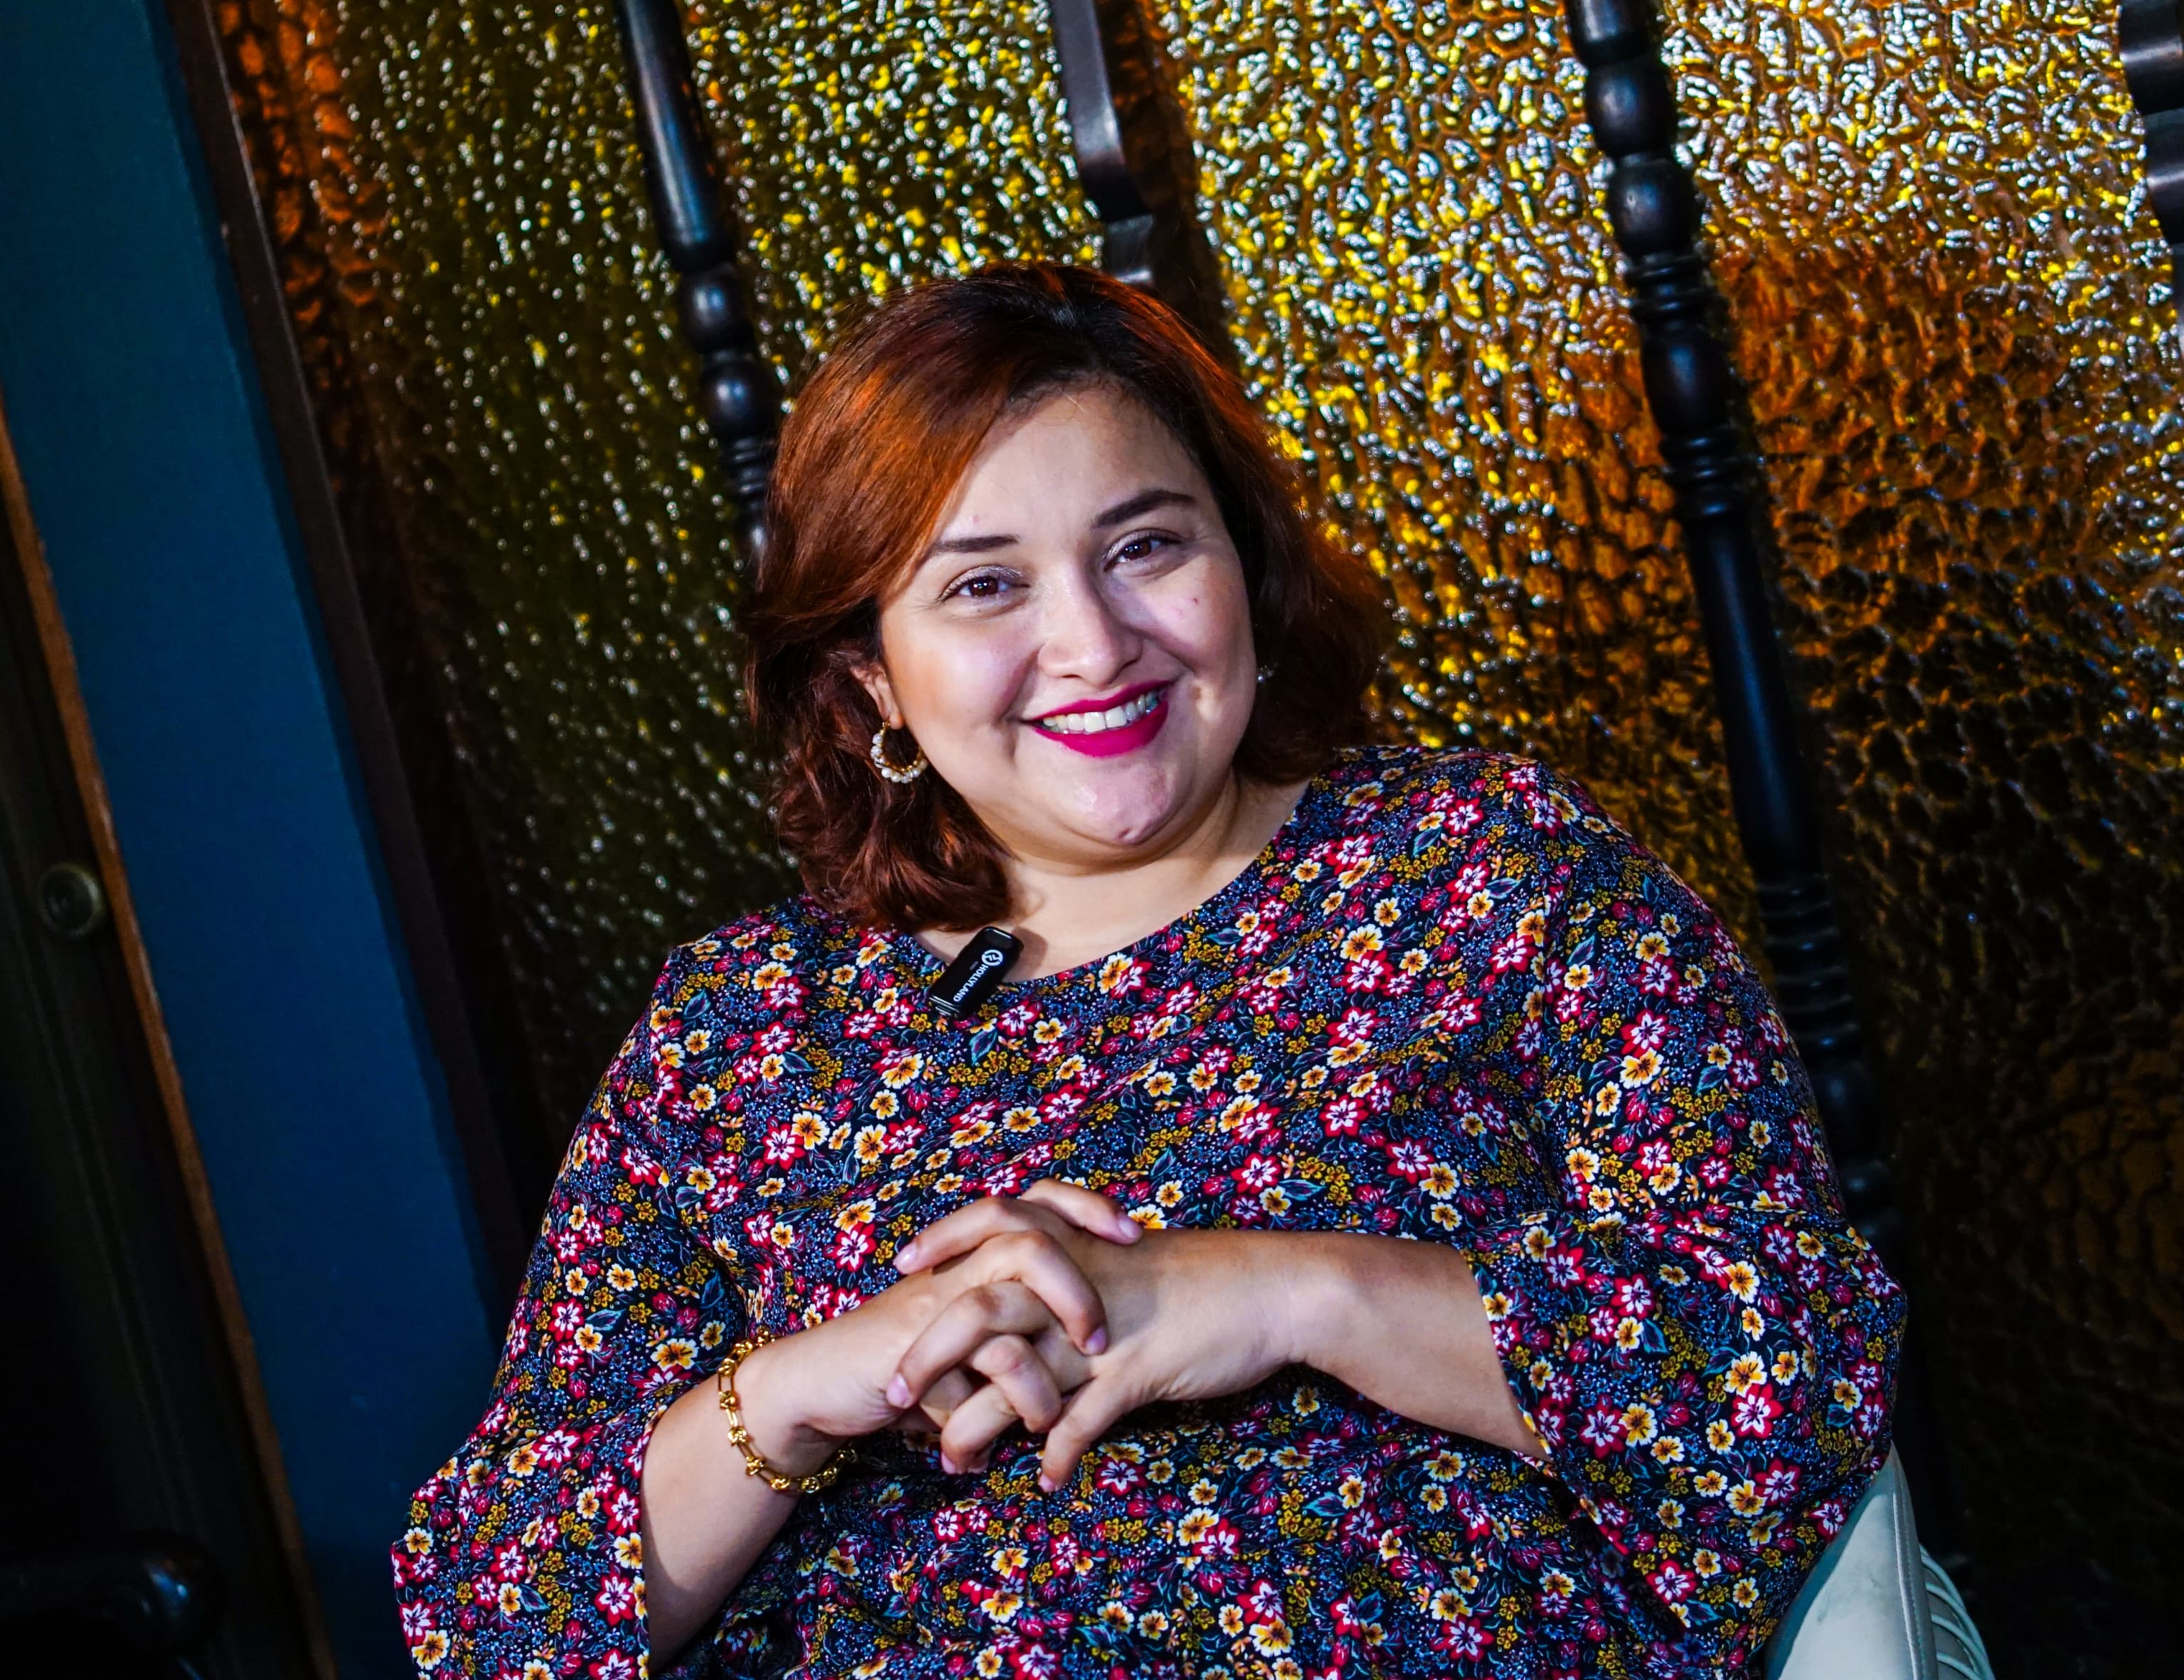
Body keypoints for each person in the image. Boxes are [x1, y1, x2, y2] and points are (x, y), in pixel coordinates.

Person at [392, 261, 1902, 1680]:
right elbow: (484, 1622)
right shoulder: (734, 1037)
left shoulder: (1494, 869)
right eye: (983, 587)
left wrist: (1286, 1290)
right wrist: (807, 1388)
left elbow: (1792, 1375)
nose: (1093, 643)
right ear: (869, 681)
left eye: (1144, 547)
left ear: (1246, 567)